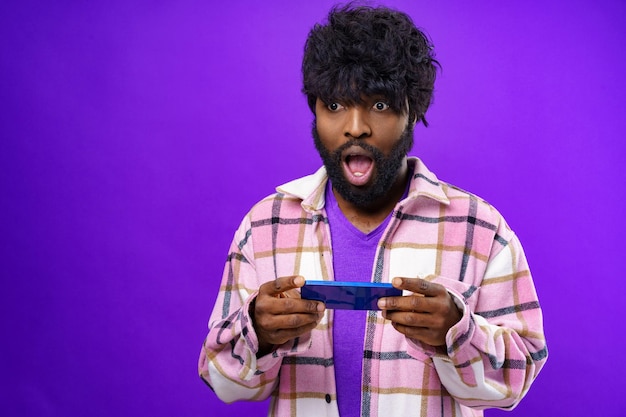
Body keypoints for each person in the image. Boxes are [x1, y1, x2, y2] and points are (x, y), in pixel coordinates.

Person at [198, 3, 547, 416]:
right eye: (334, 105)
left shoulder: (480, 229)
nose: (355, 126)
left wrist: (456, 332)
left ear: (412, 111)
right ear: (314, 109)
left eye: (379, 105)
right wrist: (258, 332)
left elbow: (516, 381)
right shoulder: (265, 226)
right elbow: (222, 381)